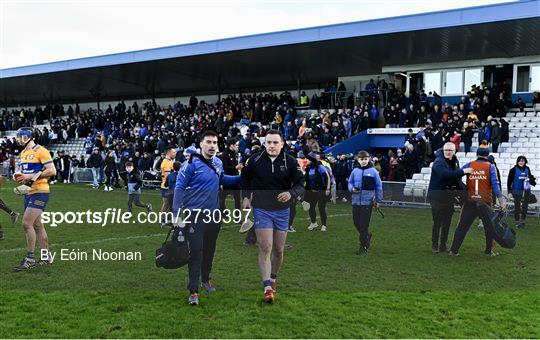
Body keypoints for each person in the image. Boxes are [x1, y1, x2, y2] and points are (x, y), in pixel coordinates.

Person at [172, 131, 240, 306]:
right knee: (196, 252)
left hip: (214, 215)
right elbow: (179, 188)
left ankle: (206, 279)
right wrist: (176, 214)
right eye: (208, 142)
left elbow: (222, 179)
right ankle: (193, 290)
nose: (212, 146)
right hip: (194, 216)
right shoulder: (190, 164)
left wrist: (242, 178)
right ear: (201, 144)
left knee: (210, 249)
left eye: (215, 143)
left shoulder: (218, 162)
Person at [241, 130, 304, 304]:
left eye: (275, 142)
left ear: (282, 144)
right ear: (264, 143)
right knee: (266, 247)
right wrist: (246, 197)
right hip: (261, 209)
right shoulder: (254, 160)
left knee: (278, 249)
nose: (271, 146)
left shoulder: (290, 161)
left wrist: (291, 193)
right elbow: (244, 179)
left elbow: (300, 185)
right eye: (268, 142)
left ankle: (274, 278)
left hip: (283, 211)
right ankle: (267, 287)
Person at [449, 145, 506, 257]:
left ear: (477, 155)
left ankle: (454, 250)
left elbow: (456, 175)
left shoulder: (470, 165)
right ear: (487, 155)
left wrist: (463, 187)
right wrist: (501, 200)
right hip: (485, 202)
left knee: (462, 226)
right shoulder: (490, 167)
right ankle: (489, 251)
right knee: (489, 227)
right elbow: (495, 185)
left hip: (470, 201)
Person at [12, 127, 57, 270]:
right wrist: (18, 175)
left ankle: (30, 258)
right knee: (37, 226)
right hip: (29, 192)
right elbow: (24, 172)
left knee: (26, 223)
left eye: (20, 136)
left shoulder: (41, 151)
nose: (17, 139)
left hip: (40, 192)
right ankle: (46, 256)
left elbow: (52, 171)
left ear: (27, 137)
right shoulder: (24, 152)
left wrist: (29, 177)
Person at [426, 142, 473, 253]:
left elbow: (456, 180)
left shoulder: (455, 161)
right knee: (437, 222)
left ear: (454, 151)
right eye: (446, 150)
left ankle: (443, 245)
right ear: (443, 150)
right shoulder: (438, 162)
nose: (448, 152)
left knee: (447, 222)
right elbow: (445, 175)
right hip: (437, 196)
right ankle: (435, 245)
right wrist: (463, 171)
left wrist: (467, 189)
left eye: (450, 150)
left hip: (448, 196)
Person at [348, 150, 383, 255]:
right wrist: (352, 189)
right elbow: (350, 182)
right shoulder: (354, 171)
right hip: (355, 202)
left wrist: (378, 200)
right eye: (361, 159)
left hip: (367, 203)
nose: (364, 161)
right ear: (358, 160)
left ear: (369, 159)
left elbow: (379, 186)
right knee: (356, 223)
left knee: (364, 225)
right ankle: (366, 236)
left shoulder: (373, 172)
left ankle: (363, 246)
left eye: (365, 159)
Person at [507, 156, 537, 228]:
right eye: (520, 161)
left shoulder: (527, 169)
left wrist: (530, 179)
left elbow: (530, 177)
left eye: (523, 161)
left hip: (526, 191)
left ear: (525, 162)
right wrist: (509, 192)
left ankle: (522, 220)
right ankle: (517, 221)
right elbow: (509, 181)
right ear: (517, 162)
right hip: (516, 191)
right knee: (517, 207)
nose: (521, 162)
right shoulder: (513, 170)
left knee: (525, 207)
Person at [304, 152, 331, 232]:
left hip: (321, 191)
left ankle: (324, 225)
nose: (306, 160)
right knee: (310, 207)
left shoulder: (320, 167)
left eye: (308, 159)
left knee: (321, 208)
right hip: (312, 191)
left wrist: (328, 189)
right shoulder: (308, 168)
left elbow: (328, 177)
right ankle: (313, 223)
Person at [160, 148, 177, 227]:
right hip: (167, 187)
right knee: (167, 204)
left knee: (169, 205)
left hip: (166, 186)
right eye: (174, 152)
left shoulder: (167, 161)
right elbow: (168, 176)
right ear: (169, 153)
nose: (175, 153)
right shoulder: (167, 163)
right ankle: (163, 220)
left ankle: (167, 220)